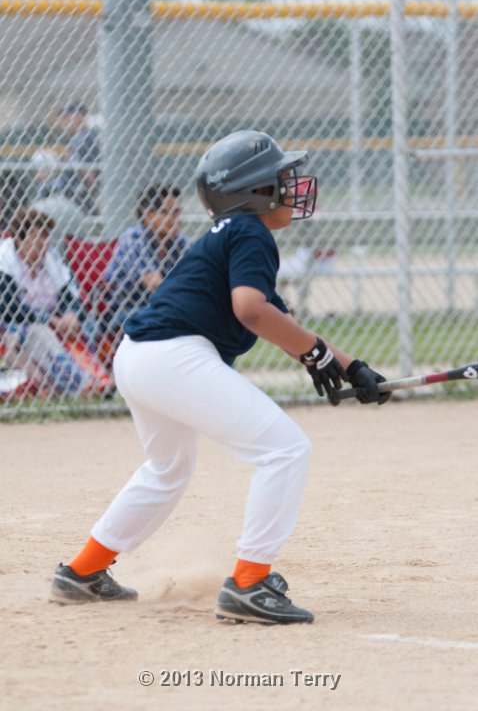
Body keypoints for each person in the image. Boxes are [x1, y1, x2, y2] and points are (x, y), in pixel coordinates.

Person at [50, 130, 390, 624]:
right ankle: (250, 584)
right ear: (255, 192)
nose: (293, 186)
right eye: (281, 178)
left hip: (138, 356)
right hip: (174, 357)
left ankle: (83, 572)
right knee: (285, 450)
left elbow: (280, 318)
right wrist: (314, 354)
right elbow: (250, 310)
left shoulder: (232, 233)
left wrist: (350, 366)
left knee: (168, 469)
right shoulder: (251, 231)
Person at [0, 208, 110, 397]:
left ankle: (101, 376)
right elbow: (8, 308)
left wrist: (71, 315)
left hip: (56, 320)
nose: (45, 243)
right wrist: (50, 321)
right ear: (19, 239)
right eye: (39, 237)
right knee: (39, 332)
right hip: (19, 325)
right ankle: (83, 386)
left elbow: (72, 295)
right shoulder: (4, 259)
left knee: (87, 324)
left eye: (46, 236)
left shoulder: (51, 257)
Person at [98, 183, 187, 354]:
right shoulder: (133, 239)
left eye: (177, 212)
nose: (177, 219)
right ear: (148, 215)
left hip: (164, 309)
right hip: (124, 313)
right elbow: (158, 287)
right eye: (168, 213)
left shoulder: (179, 241)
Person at [56, 100, 100, 214]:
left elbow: (89, 175)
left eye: (66, 117)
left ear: (79, 116)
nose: (63, 123)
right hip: (74, 193)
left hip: (79, 194)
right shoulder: (78, 137)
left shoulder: (85, 137)